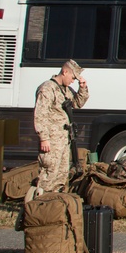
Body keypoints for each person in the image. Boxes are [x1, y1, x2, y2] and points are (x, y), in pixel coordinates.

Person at [34, 60, 89, 193]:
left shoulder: (65, 90)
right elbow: (40, 114)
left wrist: (82, 88)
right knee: (49, 172)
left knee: (62, 174)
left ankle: (54, 203)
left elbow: (77, 103)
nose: (72, 81)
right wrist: (44, 138)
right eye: (72, 77)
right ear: (65, 72)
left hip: (63, 139)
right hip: (52, 140)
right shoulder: (47, 88)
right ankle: (41, 203)